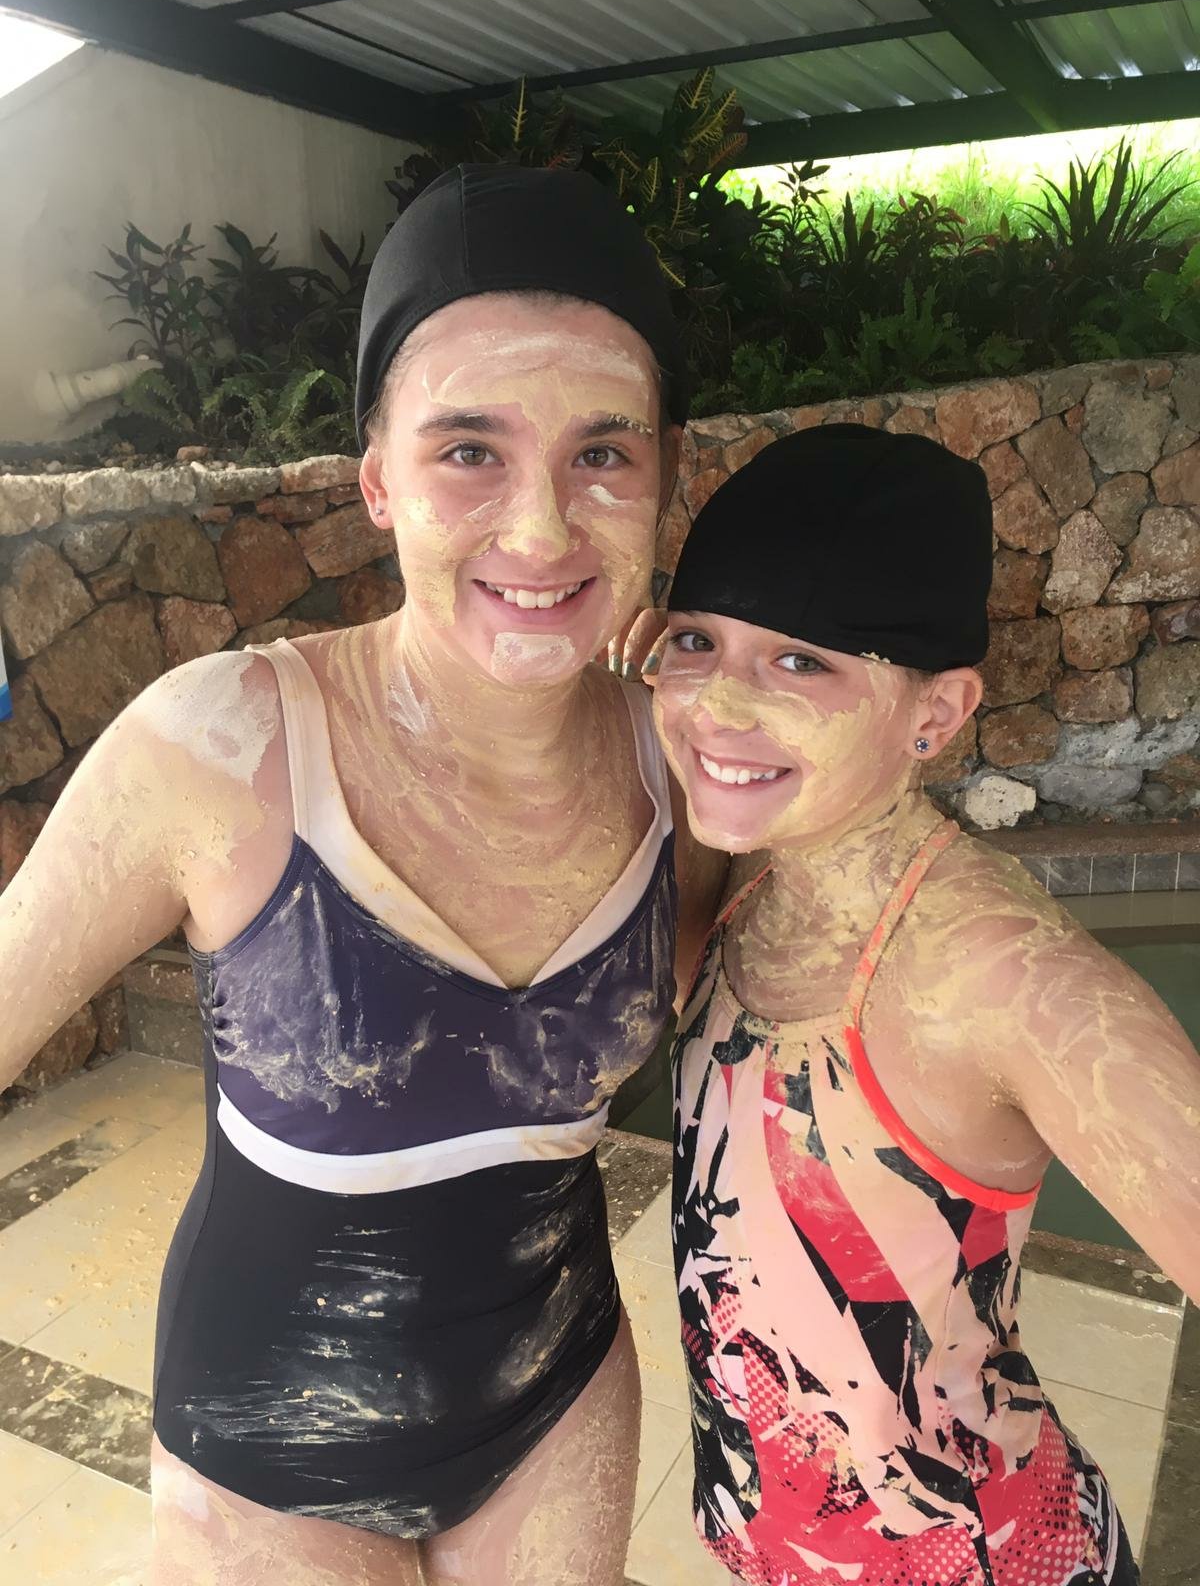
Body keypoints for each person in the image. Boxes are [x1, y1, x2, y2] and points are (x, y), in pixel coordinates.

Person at [0, 164, 724, 1586]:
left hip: (558, 1400)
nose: (540, 528)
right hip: (264, 1458)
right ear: (377, 478)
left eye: (602, 451)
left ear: (666, 474)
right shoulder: (225, 750)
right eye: (469, 451)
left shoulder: (685, 768)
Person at [652, 424, 1200, 1586]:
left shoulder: (1000, 975)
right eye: (695, 640)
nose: (716, 704)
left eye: (801, 663)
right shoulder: (750, 872)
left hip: (988, 1558)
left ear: (937, 714)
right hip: (778, 1542)